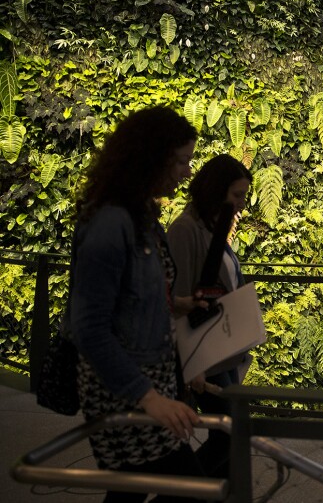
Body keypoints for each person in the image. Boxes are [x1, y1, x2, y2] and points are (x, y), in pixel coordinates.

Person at [67, 106, 204, 502]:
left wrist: (177, 304)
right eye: (181, 161)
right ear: (151, 158)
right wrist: (149, 397)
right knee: (190, 488)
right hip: (124, 391)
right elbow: (89, 326)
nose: (186, 171)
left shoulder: (141, 216)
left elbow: (133, 303)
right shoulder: (112, 223)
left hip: (146, 387)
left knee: (131, 491)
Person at [167, 154, 252, 478]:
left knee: (231, 437)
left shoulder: (213, 229)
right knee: (229, 436)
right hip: (204, 354)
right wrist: (192, 363)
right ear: (216, 190)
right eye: (237, 195)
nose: (241, 204)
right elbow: (178, 300)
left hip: (222, 354)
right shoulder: (186, 230)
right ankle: (181, 496)